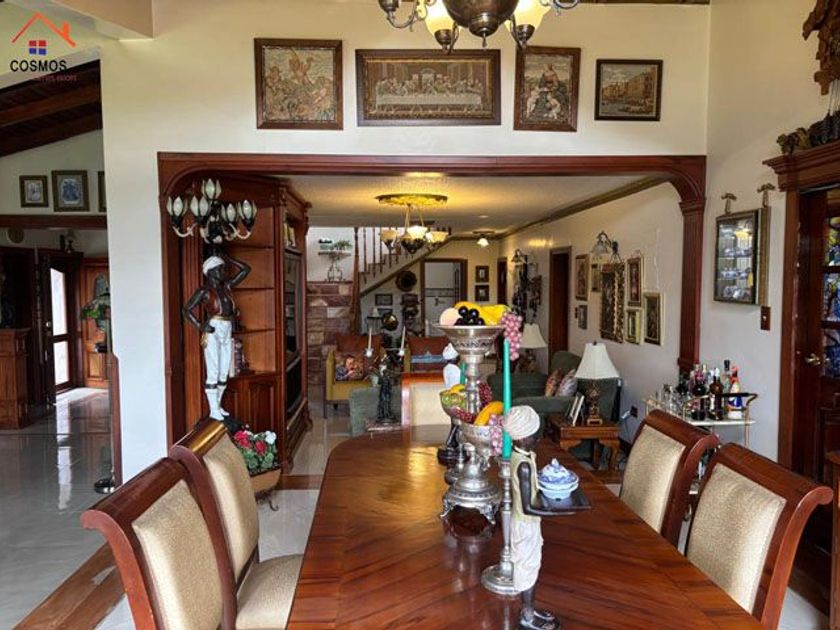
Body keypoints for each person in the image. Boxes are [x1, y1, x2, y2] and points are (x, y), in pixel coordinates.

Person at [505, 406, 565, 630]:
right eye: (533, 435)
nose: (537, 438)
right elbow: (528, 507)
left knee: (532, 566)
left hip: (528, 523)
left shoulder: (524, 455)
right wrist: (554, 510)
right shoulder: (523, 466)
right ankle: (527, 616)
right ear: (522, 438)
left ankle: (529, 609)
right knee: (527, 569)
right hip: (525, 524)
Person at [182, 252, 250, 422]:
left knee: (224, 369)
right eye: (220, 269)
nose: (223, 272)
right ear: (211, 272)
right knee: (213, 370)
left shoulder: (226, 287)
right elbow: (186, 310)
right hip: (214, 328)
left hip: (227, 327)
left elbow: (246, 270)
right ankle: (213, 409)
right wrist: (200, 325)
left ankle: (217, 406)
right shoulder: (204, 291)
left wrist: (229, 259)